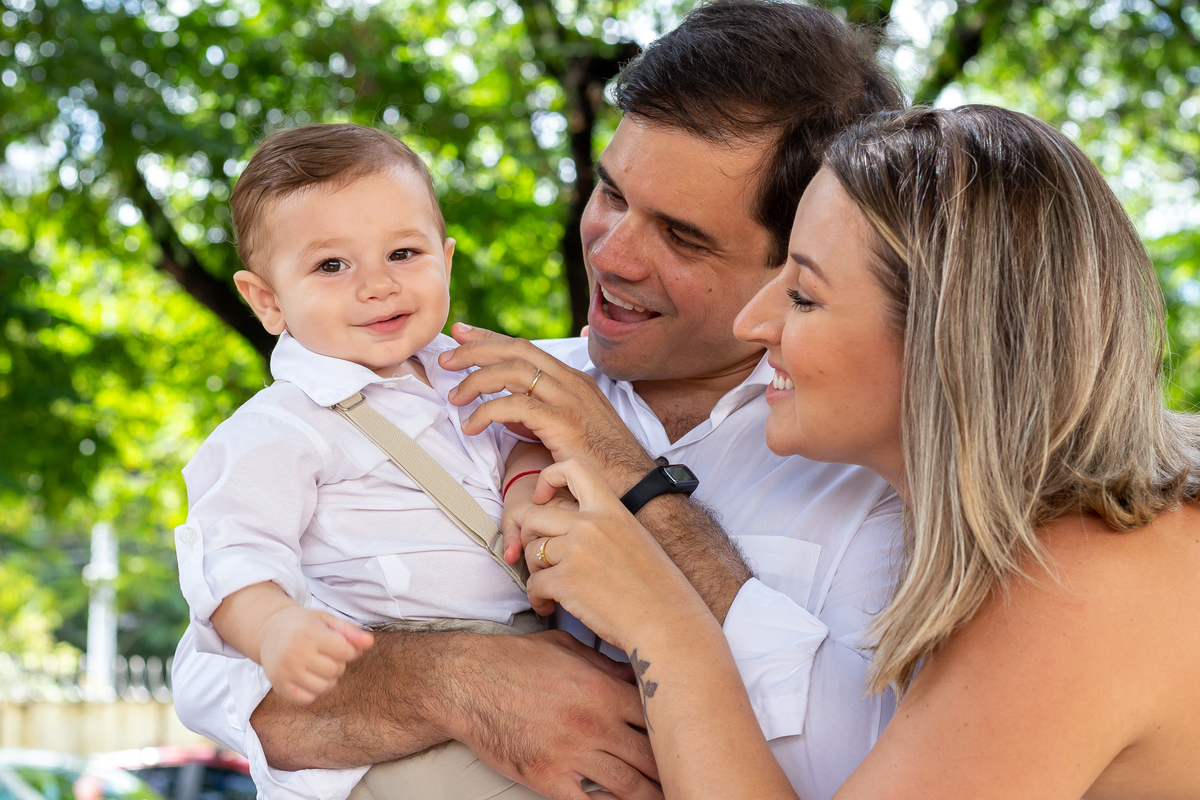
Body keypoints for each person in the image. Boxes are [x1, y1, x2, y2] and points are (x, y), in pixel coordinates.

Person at [171, 3, 906, 799]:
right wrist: (450, 679)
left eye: (683, 237)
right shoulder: (474, 385)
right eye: (612, 193)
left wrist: (633, 478)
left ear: (795, 262)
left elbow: (851, 760)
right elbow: (215, 683)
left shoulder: (881, 477)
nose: (611, 252)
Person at [512, 104, 1200, 798]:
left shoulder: (1078, 583)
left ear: (946, 347)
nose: (755, 323)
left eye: (804, 297)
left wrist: (661, 619)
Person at [173, 123, 555, 798]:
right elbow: (229, 553)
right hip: (396, 682)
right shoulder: (281, 426)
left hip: (530, 652)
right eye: (331, 266)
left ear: (446, 256)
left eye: (403, 253)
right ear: (267, 300)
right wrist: (275, 630)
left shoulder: (473, 370)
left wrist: (524, 484)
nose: (377, 285)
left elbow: (525, 431)